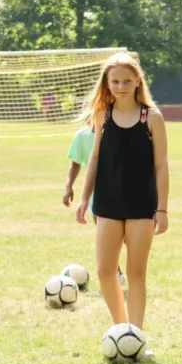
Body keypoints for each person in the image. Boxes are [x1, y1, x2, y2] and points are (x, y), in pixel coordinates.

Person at [75, 53, 170, 357]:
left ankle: (137, 338)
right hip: (108, 203)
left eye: (127, 80)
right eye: (115, 81)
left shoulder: (151, 117)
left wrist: (163, 208)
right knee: (105, 270)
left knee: (136, 273)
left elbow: (161, 166)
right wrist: (84, 197)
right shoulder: (102, 115)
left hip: (142, 204)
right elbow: (94, 159)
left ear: (138, 80)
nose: (121, 86)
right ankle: (122, 333)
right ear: (107, 83)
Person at [63, 120, 126, 286]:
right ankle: (116, 272)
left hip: (122, 191)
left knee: (126, 238)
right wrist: (68, 186)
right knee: (106, 237)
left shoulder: (115, 133)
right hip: (96, 195)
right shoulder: (81, 137)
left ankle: (131, 270)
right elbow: (75, 164)